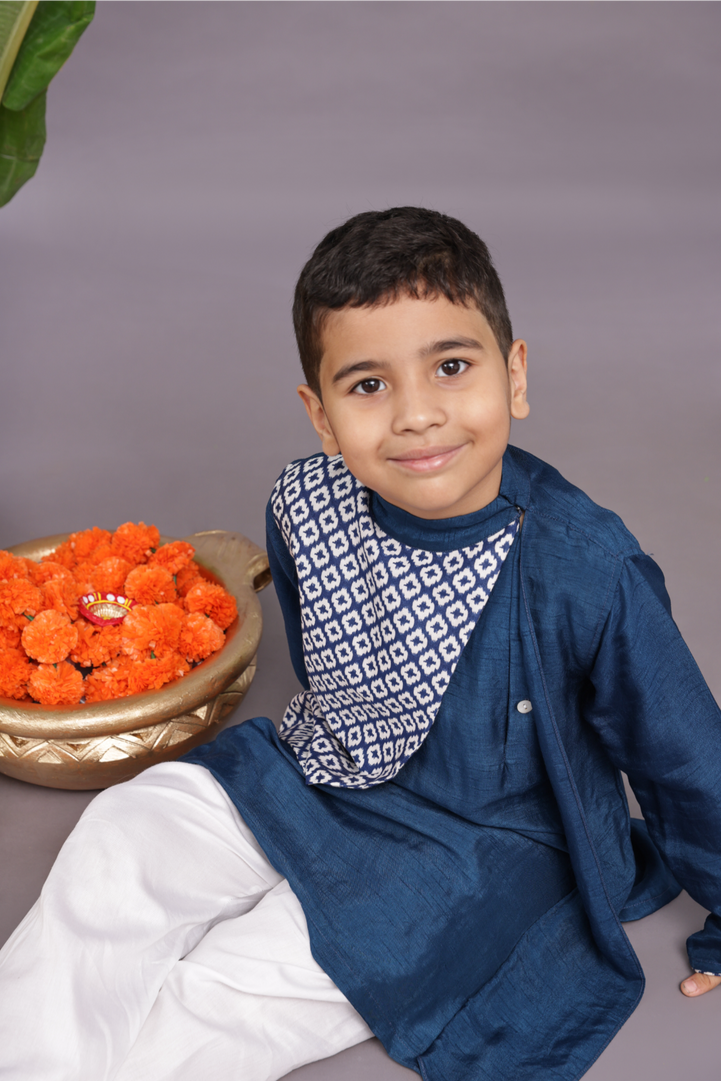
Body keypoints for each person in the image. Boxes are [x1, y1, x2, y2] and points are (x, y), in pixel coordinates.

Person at [1, 207, 720, 1081]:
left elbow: (684, 756)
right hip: (313, 772)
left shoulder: (585, 567)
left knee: (258, 979)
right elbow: (327, 661)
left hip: (477, 840)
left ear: (515, 375)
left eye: (451, 367)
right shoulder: (305, 503)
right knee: (125, 831)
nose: (417, 415)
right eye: (368, 385)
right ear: (319, 414)